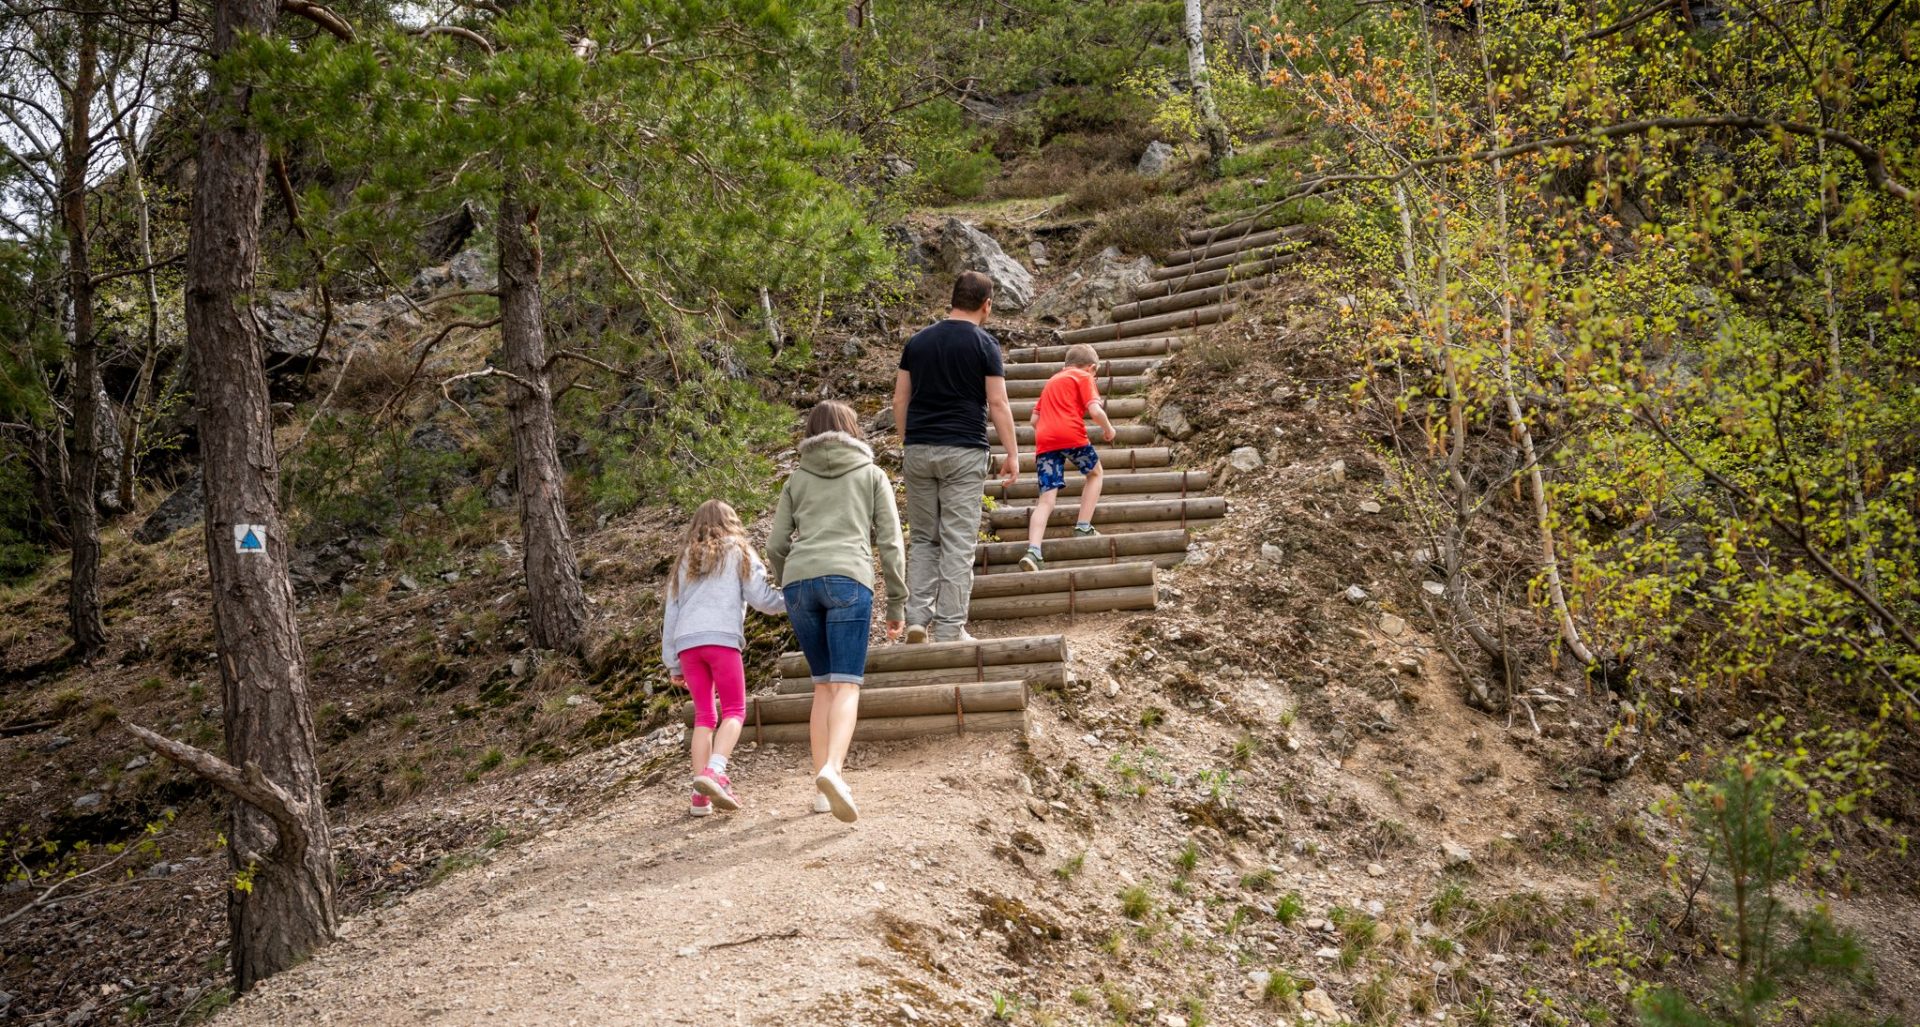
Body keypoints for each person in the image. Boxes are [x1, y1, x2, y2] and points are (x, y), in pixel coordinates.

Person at [767, 400, 907, 823]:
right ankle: (834, 769)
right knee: (847, 685)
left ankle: (821, 790)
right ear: (852, 429)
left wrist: (789, 578)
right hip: (848, 578)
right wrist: (897, 602)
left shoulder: (797, 478)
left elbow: (775, 545)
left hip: (798, 584)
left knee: (822, 686)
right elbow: (892, 543)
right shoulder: (872, 474)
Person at [892, 270, 1020, 644]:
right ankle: (949, 628)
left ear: (953, 298)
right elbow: (997, 402)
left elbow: (901, 399)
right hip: (963, 450)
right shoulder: (984, 344)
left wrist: (909, 442)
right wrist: (1012, 453)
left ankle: (916, 620)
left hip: (919, 451)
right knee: (958, 542)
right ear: (987, 304)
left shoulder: (918, 341)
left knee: (924, 540)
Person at [661, 499, 787, 817]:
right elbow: (761, 598)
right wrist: (791, 601)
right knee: (734, 710)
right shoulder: (739, 550)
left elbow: (671, 613)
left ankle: (699, 798)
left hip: (687, 645)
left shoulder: (684, 560)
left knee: (704, 717)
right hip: (721, 640)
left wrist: (672, 661)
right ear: (731, 521)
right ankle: (715, 771)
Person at [1018, 344, 1117, 572]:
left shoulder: (1052, 381)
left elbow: (1034, 420)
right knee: (1095, 473)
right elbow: (1095, 410)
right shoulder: (1083, 377)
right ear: (1092, 368)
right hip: (1071, 435)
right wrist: (1109, 429)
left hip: (1045, 441)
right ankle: (1083, 526)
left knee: (1046, 500)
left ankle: (1033, 550)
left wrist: (1049, 434)